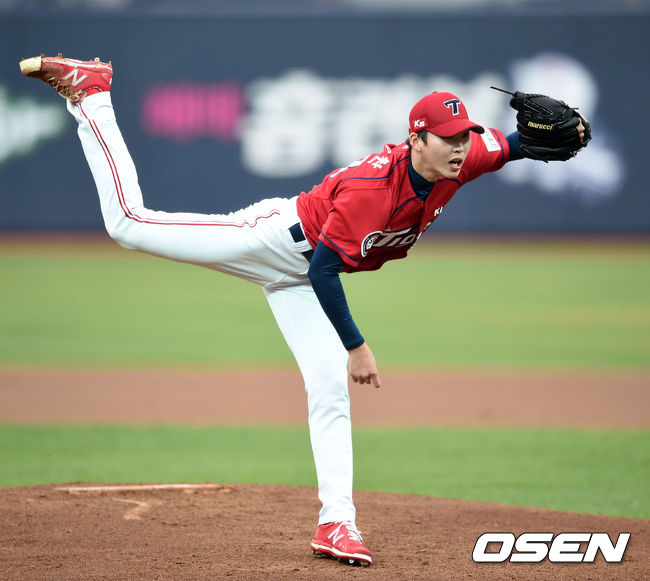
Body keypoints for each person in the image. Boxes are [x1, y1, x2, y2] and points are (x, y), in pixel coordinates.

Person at [19, 54, 587, 567]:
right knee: (128, 225)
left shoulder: (464, 159)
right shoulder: (372, 190)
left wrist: (561, 137)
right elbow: (323, 271)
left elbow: (517, 144)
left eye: (464, 135)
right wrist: (356, 346)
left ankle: (337, 523)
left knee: (328, 389)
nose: (460, 147)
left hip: (303, 274)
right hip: (270, 240)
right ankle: (93, 94)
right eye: (447, 139)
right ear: (416, 140)